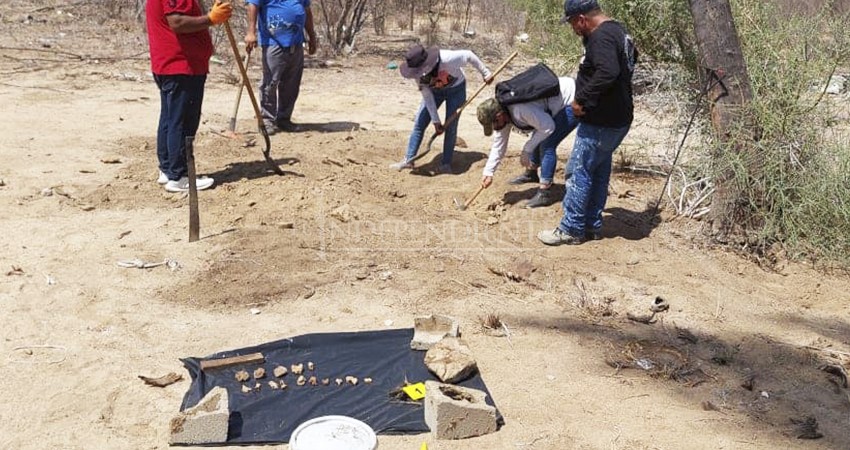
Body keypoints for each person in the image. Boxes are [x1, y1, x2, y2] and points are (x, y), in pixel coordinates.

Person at [538, 0, 637, 244]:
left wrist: (581, 99)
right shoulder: (617, 30)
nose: (573, 28)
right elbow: (631, 60)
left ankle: (571, 228)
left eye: (572, 22)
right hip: (617, 118)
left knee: (577, 171)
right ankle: (591, 226)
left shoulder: (600, 37)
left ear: (581, 19)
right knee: (598, 170)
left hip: (601, 121)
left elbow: (608, 72)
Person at [146, 0, 231, 193]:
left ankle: (168, 169)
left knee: (170, 119)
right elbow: (177, 22)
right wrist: (211, 19)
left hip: (173, 64)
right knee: (183, 121)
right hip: (181, 65)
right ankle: (179, 175)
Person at [476, 74, 579, 208]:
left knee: (547, 144)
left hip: (571, 99)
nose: (495, 128)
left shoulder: (519, 110)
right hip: (551, 106)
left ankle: (545, 192)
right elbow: (498, 146)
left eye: (493, 124)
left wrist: (527, 149)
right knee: (538, 137)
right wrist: (488, 172)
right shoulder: (502, 114)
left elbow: (548, 127)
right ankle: (531, 174)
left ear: (499, 116)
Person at [391, 44, 492, 174]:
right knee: (419, 124)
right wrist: (436, 121)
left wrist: (485, 72)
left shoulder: (448, 58)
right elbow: (427, 96)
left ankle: (446, 164)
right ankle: (409, 160)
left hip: (456, 90)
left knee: (451, 127)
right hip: (434, 92)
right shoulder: (417, 73)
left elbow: (469, 55)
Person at [245, 0, 318, 134]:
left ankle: (284, 119)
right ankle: (267, 120)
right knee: (270, 83)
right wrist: (251, 32)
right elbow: (252, 5)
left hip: (296, 42)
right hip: (273, 42)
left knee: (291, 84)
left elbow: (306, 11)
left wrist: (312, 36)